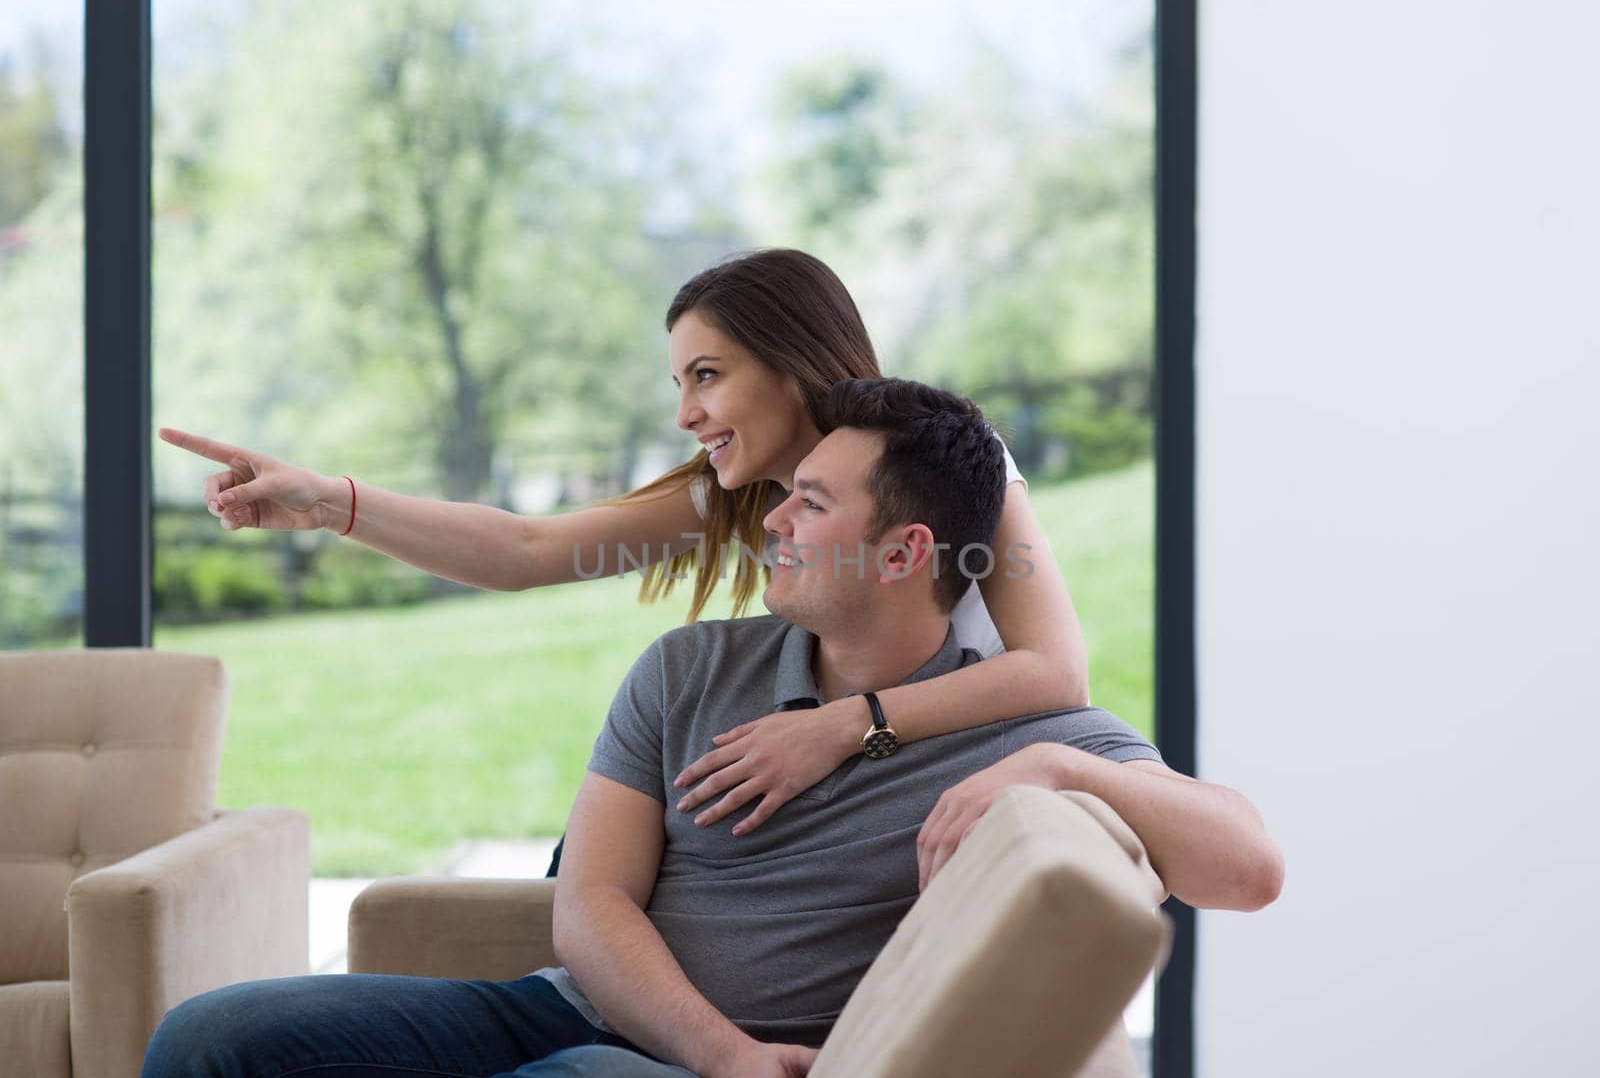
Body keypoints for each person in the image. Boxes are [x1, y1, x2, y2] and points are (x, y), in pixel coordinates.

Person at [31, 379, 1282, 1078]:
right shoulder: (691, 671)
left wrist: (1064, 775)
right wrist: (709, 1046)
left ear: (906, 552)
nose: (770, 524)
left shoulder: (1020, 726)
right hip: (593, 1004)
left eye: (807, 503)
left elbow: (1247, 865)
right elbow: (591, 902)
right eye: (780, 493)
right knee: (211, 1041)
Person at [157, 249, 1093, 836]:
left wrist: (843, 728)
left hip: (901, 794)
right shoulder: (733, 495)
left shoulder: (947, 465)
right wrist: (330, 503)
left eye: (708, 376)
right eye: (680, 382)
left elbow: (1056, 673)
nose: (687, 413)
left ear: (794, 366)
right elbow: (528, 552)